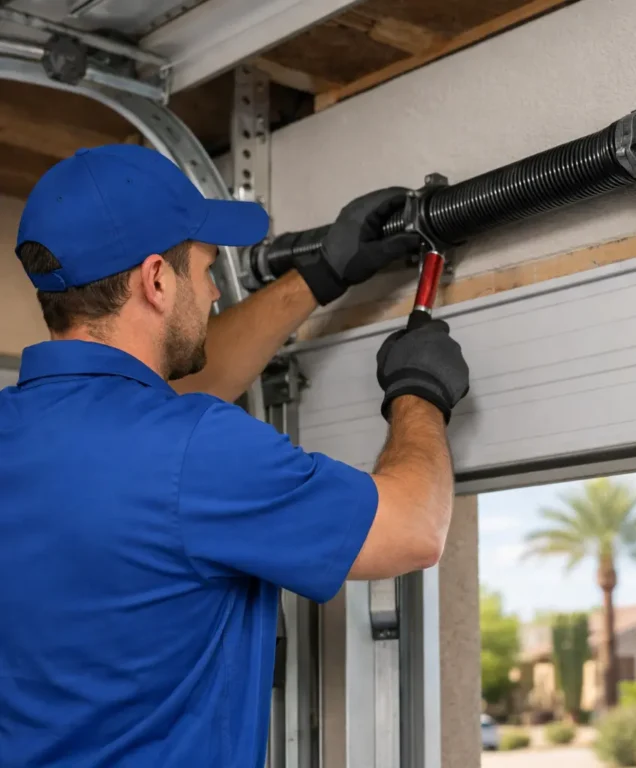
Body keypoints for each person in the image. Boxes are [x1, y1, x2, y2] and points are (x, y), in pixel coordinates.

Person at [0, 144, 470, 767]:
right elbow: (413, 529)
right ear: (156, 281)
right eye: (205, 270)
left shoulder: (22, 426)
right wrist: (420, 393)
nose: (215, 293)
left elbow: (169, 396)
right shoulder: (194, 447)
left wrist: (321, 277)